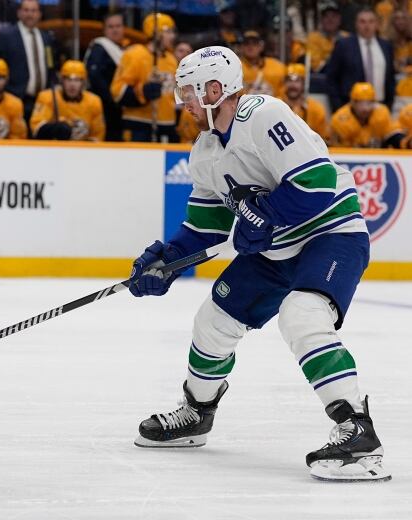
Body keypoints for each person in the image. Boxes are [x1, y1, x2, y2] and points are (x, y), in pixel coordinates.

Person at [128, 45, 390, 482]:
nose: (183, 101)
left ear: (215, 89)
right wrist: (169, 259)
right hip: (275, 251)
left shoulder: (263, 115)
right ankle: (197, 412)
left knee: (302, 315)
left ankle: (359, 433)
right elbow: (206, 226)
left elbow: (319, 181)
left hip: (331, 234)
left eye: (189, 91)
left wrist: (264, 213)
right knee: (213, 320)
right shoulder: (204, 152)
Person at [0, 0, 57, 123]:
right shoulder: (6, 36)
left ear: (39, 14)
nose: (30, 14)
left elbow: (51, 66)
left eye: (34, 11)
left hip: (42, 102)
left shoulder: (47, 38)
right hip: (16, 98)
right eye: (26, 10)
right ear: (19, 13)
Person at [110, 13, 175, 142]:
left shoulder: (171, 60)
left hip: (166, 125)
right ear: (155, 33)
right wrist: (142, 92)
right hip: (138, 125)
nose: (172, 36)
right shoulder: (135, 55)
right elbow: (117, 91)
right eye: (167, 31)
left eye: (172, 31)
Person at [327, 7, 395, 112]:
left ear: (377, 24)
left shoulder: (386, 46)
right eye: (362, 22)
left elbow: (390, 78)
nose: (367, 26)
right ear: (356, 24)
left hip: (380, 107)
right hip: (351, 108)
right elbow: (332, 78)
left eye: (371, 21)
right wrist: (338, 107)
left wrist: (389, 105)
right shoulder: (343, 45)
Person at [30, 60, 104, 142]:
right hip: (55, 150)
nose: (72, 84)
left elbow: (97, 137)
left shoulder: (94, 102)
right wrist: (52, 128)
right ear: (62, 81)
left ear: (83, 82)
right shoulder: (47, 97)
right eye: (68, 79)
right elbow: (36, 128)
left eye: (77, 80)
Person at [84, 13, 125, 142]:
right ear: (104, 30)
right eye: (111, 26)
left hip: (116, 108)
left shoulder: (121, 50)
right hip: (104, 107)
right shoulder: (99, 48)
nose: (115, 30)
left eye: (118, 26)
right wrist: (111, 100)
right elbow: (95, 77)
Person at [331, 82, 404, 148]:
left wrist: (403, 142)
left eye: (369, 103)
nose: (365, 108)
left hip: (376, 157)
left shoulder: (382, 113)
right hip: (349, 158)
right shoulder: (339, 119)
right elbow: (337, 148)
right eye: (360, 103)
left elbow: (392, 134)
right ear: (352, 102)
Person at [281, 64, 330, 143]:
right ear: (284, 83)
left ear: (304, 83)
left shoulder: (316, 109)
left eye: (297, 81)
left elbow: (325, 140)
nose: (293, 85)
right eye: (289, 80)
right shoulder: (276, 105)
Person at [305, 1, 349, 73]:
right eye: (326, 16)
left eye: (334, 16)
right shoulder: (313, 38)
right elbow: (316, 66)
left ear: (340, 20)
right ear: (321, 20)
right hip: (322, 77)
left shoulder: (347, 37)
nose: (330, 20)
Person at [239, 30, 285, 97]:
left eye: (255, 43)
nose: (250, 46)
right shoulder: (236, 67)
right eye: (246, 43)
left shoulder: (277, 66)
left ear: (261, 47)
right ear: (241, 47)